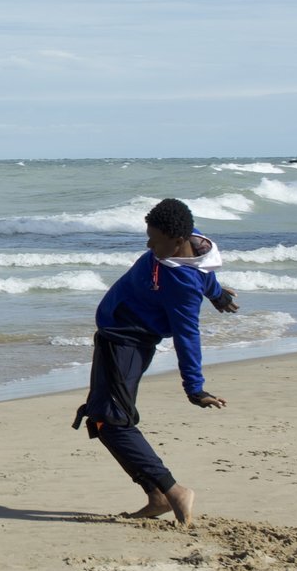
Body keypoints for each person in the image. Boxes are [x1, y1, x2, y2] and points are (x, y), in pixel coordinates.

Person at [72, 197, 239, 525]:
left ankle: (171, 491)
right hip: (117, 338)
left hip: (126, 343)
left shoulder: (181, 285)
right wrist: (217, 295)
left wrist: (195, 388)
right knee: (104, 417)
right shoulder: (189, 243)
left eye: (155, 239)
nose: (149, 245)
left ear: (176, 241)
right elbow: (201, 269)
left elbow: (187, 335)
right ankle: (156, 495)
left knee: (110, 421)